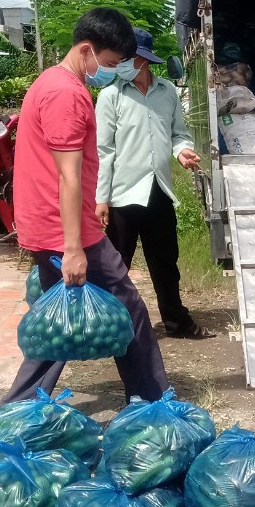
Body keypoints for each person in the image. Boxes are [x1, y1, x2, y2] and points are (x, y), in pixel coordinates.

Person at [3, 8, 169, 405]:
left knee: (56, 329)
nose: (110, 71)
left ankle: (14, 414)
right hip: (66, 233)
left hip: (49, 224)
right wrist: (74, 247)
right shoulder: (66, 94)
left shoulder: (49, 82)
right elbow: (68, 176)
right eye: (110, 63)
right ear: (87, 50)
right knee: (128, 311)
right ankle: (156, 404)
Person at [95, 27, 216, 340]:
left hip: (158, 189)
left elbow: (179, 134)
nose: (120, 63)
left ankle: (177, 323)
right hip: (122, 194)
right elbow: (103, 150)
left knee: (166, 262)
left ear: (143, 60)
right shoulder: (110, 96)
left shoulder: (167, 93)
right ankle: (114, 327)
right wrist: (101, 198)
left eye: (128, 58)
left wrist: (182, 152)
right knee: (116, 264)